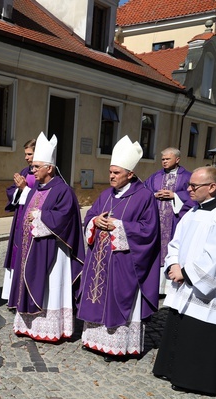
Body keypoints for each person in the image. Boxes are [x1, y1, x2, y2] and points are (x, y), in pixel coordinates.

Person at [152, 166, 216, 396]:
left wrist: (187, 273)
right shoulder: (193, 212)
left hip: (208, 289)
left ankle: (196, 380)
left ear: (212, 187)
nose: (188, 189)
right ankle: (173, 370)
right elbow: (175, 243)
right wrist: (173, 265)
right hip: (184, 281)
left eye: (194, 186)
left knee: (200, 332)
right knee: (181, 327)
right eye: (189, 185)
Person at [77, 136, 160, 361]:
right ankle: (94, 340)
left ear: (130, 174)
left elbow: (149, 231)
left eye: (116, 173)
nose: (111, 176)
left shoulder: (144, 197)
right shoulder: (106, 194)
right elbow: (91, 215)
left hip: (124, 263)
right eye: (110, 171)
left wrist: (119, 226)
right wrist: (95, 222)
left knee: (118, 299)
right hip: (99, 261)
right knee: (96, 296)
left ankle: (118, 345)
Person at [6, 132, 84, 342]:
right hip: (30, 249)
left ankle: (49, 328)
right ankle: (29, 325)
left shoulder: (63, 191)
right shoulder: (34, 190)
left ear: (49, 168)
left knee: (50, 288)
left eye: (36, 167)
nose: (32, 170)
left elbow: (66, 219)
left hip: (53, 253)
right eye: (33, 166)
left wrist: (41, 217)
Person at [144, 147, 193, 293]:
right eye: (163, 159)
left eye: (167, 159)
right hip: (156, 219)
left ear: (177, 159)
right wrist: (153, 194)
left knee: (172, 248)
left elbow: (194, 194)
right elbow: (145, 191)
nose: (164, 162)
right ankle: (155, 286)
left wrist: (175, 196)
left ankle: (169, 285)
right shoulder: (155, 176)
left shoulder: (187, 177)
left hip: (175, 220)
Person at [2, 139, 36, 300]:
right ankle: (14, 295)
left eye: (29, 154)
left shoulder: (42, 175)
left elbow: (42, 198)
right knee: (16, 254)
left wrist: (24, 189)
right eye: (25, 154)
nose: (26, 158)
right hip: (19, 219)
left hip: (32, 221)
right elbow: (12, 191)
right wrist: (17, 189)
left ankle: (24, 295)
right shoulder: (24, 171)